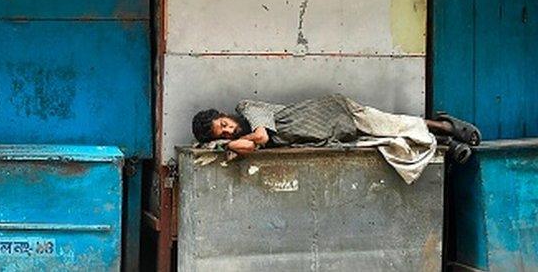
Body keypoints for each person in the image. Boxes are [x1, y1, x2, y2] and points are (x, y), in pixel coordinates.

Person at [191, 94, 479, 183]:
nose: (230, 130)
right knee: (389, 142)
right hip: (327, 135)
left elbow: (259, 139)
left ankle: (445, 126)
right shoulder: (233, 137)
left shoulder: (248, 109)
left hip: (332, 112)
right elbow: (245, 146)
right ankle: (448, 148)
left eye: (224, 124)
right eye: (224, 133)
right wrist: (226, 143)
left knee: (391, 123)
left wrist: (229, 143)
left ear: (225, 113)